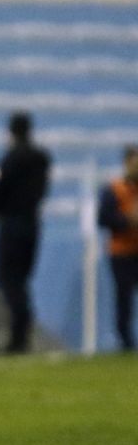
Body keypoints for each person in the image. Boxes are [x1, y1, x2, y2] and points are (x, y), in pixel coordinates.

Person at [0, 111, 50, 353]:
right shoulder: (42, 159)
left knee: (11, 280)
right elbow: (43, 191)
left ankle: (18, 334)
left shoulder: (10, 159)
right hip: (33, 225)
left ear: (11, 132)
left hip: (11, 225)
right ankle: (22, 331)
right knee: (22, 279)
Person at [97, 144, 138, 350]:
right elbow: (103, 218)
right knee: (124, 297)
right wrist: (126, 221)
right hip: (121, 251)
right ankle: (125, 341)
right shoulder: (114, 189)